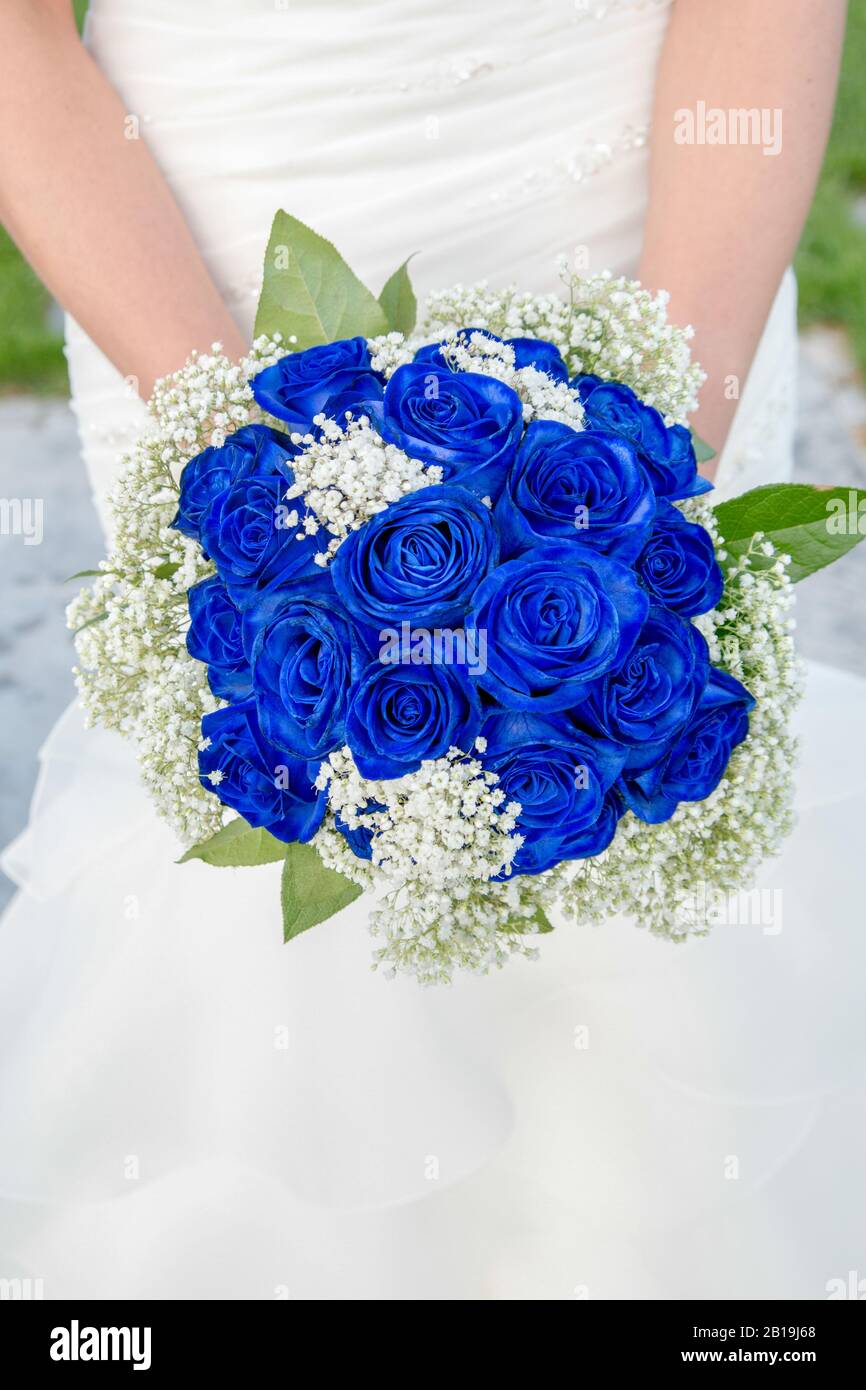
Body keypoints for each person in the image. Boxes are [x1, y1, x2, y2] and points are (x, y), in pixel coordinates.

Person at [0, 0, 860, 1300]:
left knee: (651, 968)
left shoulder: (663, 397)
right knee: (250, 943)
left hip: (656, 241)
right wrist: (244, 473)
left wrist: (654, 451)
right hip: (202, 260)